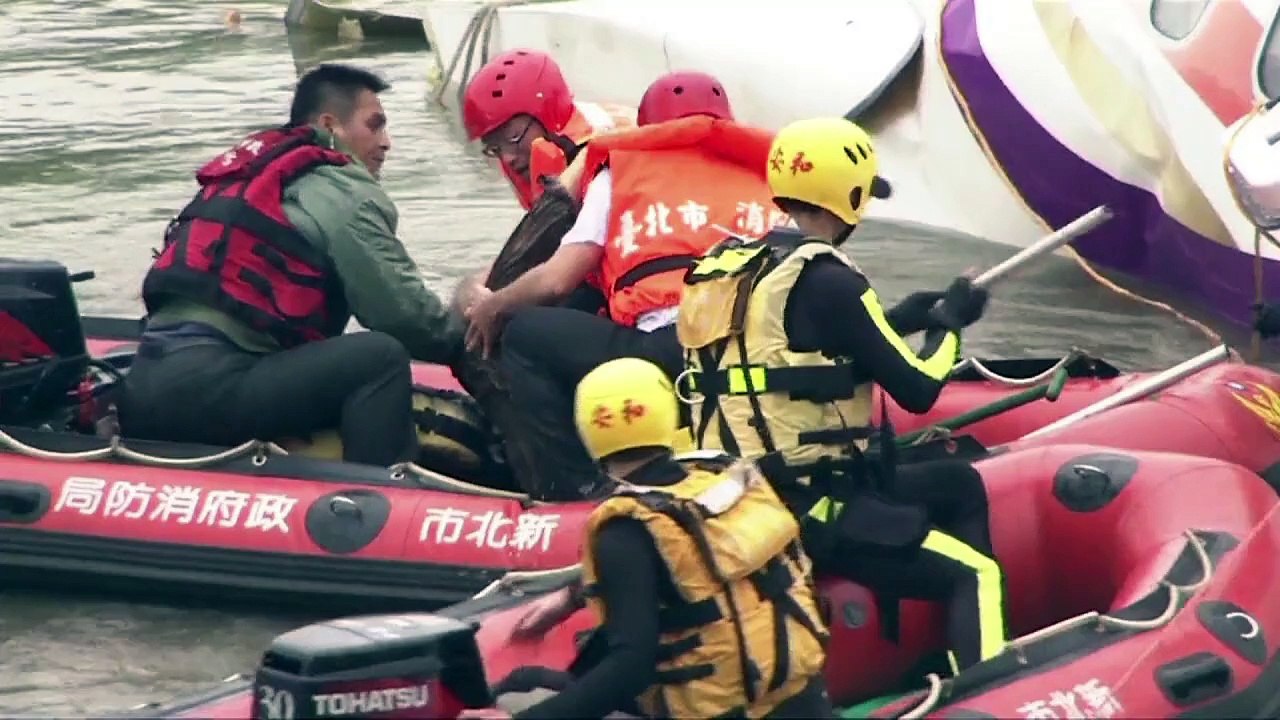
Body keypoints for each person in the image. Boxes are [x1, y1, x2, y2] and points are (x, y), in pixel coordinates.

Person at [673, 116, 1008, 674]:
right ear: (847, 195)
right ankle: (987, 690)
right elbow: (921, 390)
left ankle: (944, 649)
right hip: (810, 505)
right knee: (977, 573)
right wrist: (950, 323)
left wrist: (901, 317)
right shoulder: (831, 279)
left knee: (959, 483)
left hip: (739, 492)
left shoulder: (729, 267)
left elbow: (790, 355)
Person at [116, 63, 463, 467]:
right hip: (210, 393)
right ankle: (378, 499)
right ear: (331, 125)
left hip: (143, 391)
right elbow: (406, 318)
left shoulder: (261, 172)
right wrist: (470, 322)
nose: (386, 143)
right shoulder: (338, 188)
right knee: (380, 357)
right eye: (375, 125)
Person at [463, 71, 786, 500]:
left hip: (672, 352)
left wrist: (494, 305)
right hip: (758, 353)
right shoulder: (768, 175)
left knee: (524, 334)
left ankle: (572, 492)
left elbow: (557, 281)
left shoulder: (622, 168)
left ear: (648, 127)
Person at [459, 357, 835, 720]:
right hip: (802, 699)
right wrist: (574, 595)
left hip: (721, 711)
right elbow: (697, 566)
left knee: (521, 690)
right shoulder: (724, 478)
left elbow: (630, 669)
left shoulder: (626, 528)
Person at [462, 48, 635, 212]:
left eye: (513, 136)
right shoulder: (554, 138)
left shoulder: (611, 157)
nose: (508, 158)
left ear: (548, 118)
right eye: (495, 148)